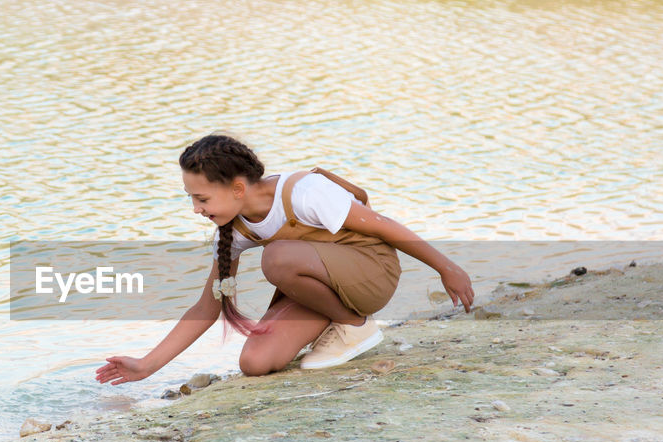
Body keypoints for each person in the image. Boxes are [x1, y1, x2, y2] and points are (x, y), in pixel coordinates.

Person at [95, 134, 473, 384]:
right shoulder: (233, 230)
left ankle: (354, 326)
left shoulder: (304, 192)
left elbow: (385, 226)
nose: (195, 209)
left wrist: (447, 268)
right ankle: (336, 322)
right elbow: (208, 306)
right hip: (321, 282)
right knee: (255, 363)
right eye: (190, 198)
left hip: (371, 272)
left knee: (276, 258)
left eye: (202, 199)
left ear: (238, 187)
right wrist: (147, 365)